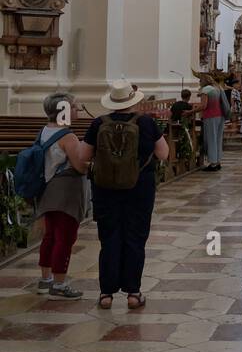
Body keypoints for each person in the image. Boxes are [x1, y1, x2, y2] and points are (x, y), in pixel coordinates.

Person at [85, 80, 169, 309]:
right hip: (139, 189)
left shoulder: (98, 123)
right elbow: (163, 153)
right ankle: (133, 293)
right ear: (134, 100)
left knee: (109, 238)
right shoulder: (146, 123)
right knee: (135, 238)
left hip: (105, 190)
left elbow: (85, 155)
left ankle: (106, 295)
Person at [36, 92, 90, 300]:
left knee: (50, 235)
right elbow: (79, 167)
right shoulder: (68, 136)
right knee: (65, 237)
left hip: (48, 189)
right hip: (65, 191)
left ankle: (46, 279)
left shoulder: (44, 131)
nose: (77, 109)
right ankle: (59, 283)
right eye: (75, 107)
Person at [199, 79, 229, 171]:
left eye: (200, 81)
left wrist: (191, 111)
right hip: (220, 116)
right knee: (218, 139)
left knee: (211, 139)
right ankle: (218, 161)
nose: (199, 83)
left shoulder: (206, 90)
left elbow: (204, 106)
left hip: (210, 116)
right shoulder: (217, 88)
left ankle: (213, 163)